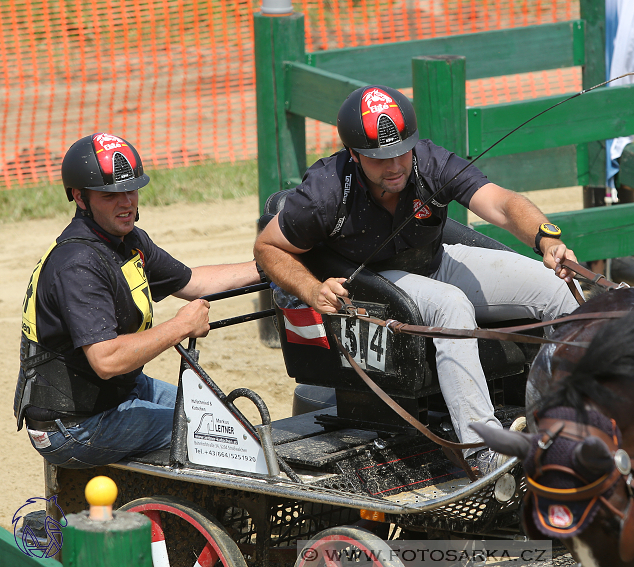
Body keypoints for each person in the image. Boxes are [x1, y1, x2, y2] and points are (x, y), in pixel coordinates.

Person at [254, 86, 581, 454]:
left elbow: (502, 204)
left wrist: (546, 239)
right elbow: (267, 247)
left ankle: (572, 424)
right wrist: (312, 289)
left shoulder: (430, 161)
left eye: (401, 153)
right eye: (380, 158)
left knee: (557, 289)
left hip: (435, 261)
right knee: (451, 305)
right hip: (374, 280)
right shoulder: (325, 192)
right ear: (354, 155)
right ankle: (483, 450)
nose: (394, 166)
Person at [15, 133, 261, 468]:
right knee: (212, 436)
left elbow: (194, 282)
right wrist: (180, 326)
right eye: (110, 195)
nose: (126, 202)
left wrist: (269, 267)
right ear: (80, 198)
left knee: (226, 419)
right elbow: (107, 360)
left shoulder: (127, 241)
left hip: (116, 394)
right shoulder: (78, 264)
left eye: (131, 190)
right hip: (71, 427)